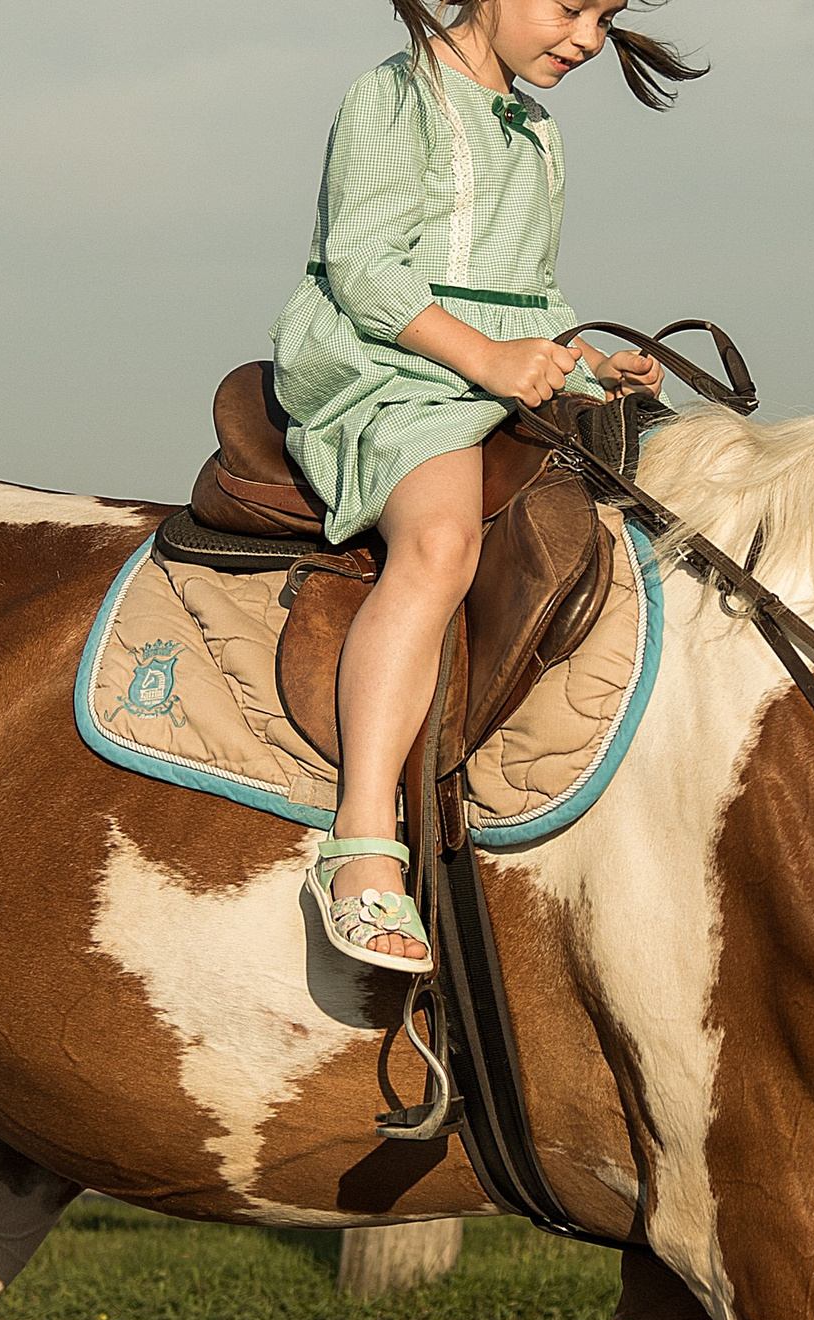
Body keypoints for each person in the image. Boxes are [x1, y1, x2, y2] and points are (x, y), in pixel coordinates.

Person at [274, 0, 702, 971]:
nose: (589, 38)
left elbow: (529, 298)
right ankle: (360, 841)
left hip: (488, 368)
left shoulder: (537, 133)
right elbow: (365, 270)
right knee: (440, 543)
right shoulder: (395, 97)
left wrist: (584, 363)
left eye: (604, 16)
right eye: (572, 8)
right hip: (390, 371)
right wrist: (488, 360)